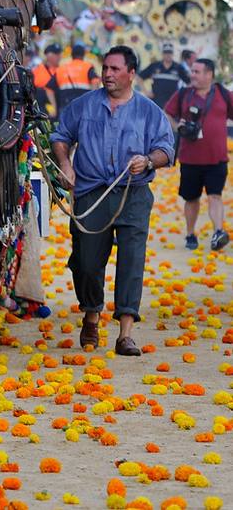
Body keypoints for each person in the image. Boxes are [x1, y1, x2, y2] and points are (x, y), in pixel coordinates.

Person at [50, 46, 174, 357]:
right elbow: (61, 135)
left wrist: (147, 161)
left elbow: (166, 150)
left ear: (131, 74)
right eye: (105, 68)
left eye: (115, 69)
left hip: (133, 194)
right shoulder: (84, 106)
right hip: (92, 192)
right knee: (87, 262)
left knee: (132, 261)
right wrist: (66, 165)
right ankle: (91, 315)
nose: (107, 74)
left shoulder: (149, 111)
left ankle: (125, 333)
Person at [164, 58, 230, 251]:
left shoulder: (224, 94)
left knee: (215, 196)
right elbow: (167, 114)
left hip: (217, 158)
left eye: (196, 71)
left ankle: (218, 231)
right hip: (190, 159)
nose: (192, 74)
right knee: (191, 198)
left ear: (209, 74)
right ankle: (190, 233)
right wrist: (178, 127)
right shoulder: (184, 93)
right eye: (192, 71)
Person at [55, 44, 98, 112]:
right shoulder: (88, 66)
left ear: (71, 55)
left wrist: (54, 106)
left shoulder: (61, 68)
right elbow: (95, 82)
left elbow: (50, 87)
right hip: (82, 102)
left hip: (65, 102)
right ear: (83, 55)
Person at [33, 44, 62, 119]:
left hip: (59, 103)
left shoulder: (61, 70)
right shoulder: (39, 70)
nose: (59, 57)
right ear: (49, 56)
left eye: (59, 54)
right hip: (43, 105)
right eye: (56, 54)